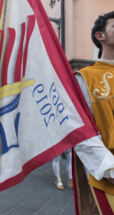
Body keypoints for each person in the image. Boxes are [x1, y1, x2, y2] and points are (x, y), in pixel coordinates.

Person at [74, 11, 114, 214]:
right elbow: (80, 130)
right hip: (109, 175)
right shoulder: (85, 78)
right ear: (101, 36)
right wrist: (110, 168)